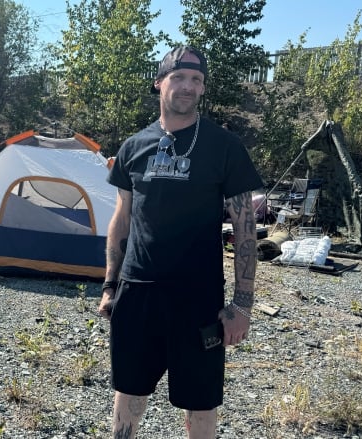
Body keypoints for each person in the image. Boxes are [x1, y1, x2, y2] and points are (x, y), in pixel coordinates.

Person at [98, 45, 263, 439]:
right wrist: (109, 284)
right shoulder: (133, 147)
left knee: (200, 400)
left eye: (197, 80)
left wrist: (242, 303)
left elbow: (245, 227)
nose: (188, 87)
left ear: (203, 88)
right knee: (129, 391)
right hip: (137, 292)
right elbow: (121, 219)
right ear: (159, 83)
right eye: (179, 78)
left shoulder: (224, 147)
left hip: (198, 297)